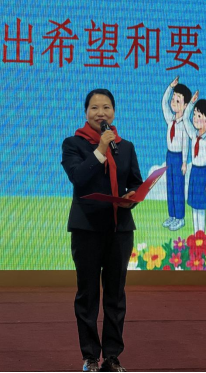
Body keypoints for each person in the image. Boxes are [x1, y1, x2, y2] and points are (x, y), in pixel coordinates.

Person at [61, 89, 143, 373]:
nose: (101, 113)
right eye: (94, 108)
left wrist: (132, 196)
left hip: (120, 229)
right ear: (86, 112)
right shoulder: (73, 144)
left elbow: (135, 182)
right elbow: (78, 177)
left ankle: (111, 356)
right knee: (87, 295)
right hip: (87, 229)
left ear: (114, 112)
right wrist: (100, 150)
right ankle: (90, 357)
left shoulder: (125, 147)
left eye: (106, 107)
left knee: (115, 295)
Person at [182, 93, 206, 234]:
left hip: (203, 174)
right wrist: (191, 102)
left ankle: (201, 235)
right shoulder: (193, 135)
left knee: (201, 207)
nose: (195, 118)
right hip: (194, 172)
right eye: (195, 114)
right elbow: (185, 118)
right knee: (194, 206)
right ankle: (195, 234)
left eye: (199, 116)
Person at [161, 77, 191, 231]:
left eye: (178, 101)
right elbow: (164, 103)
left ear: (186, 105)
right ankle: (172, 215)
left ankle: (180, 218)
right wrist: (170, 87)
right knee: (170, 186)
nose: (173, 102)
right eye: (173, 99)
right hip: (170, 155)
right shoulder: (170, 120)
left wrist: (184, 161)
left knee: (178, 188)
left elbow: (186, 144)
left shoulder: (185, 124)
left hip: (179, 157)